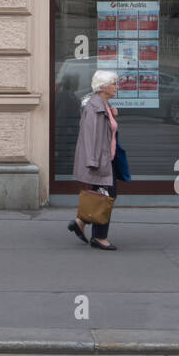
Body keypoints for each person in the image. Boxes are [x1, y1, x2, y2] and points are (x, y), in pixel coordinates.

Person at [68, 69, 119, 251]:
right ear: (104, 87)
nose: (116, 87)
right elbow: (89, 136)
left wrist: (113, 115)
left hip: (107, 158)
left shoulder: (104, 105)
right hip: (99, 160)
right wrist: (93, 162)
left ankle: (80, 221)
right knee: (106, 196)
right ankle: (99, 237)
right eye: (114, 83)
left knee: (103, 194)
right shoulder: (95, 107)